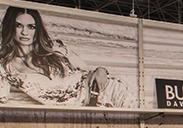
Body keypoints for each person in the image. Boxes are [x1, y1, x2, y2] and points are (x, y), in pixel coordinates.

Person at [0, 7, 133, 107]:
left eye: (31, 27)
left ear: (37, 29)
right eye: (18, 25)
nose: (24, 32)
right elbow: (3, 99)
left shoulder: (56, 47)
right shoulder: (6, 66)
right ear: (10, 27)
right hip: (81, 109)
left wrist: (101, 69)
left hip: (106, 90)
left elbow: (88, 70)